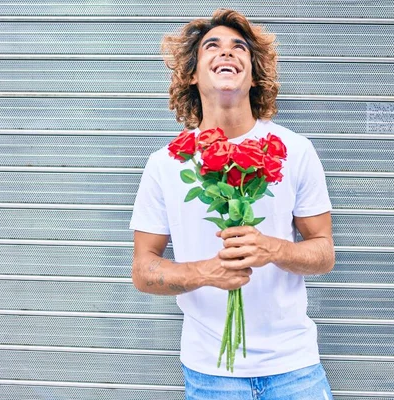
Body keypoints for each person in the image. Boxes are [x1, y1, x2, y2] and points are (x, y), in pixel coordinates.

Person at [130, 8, 335, 400]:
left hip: (294, 368)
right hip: (210, 375)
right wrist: (208, 272)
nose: (227, 53)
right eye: (213, 46)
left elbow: (324, 252)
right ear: (192, 73)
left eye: (238, 47)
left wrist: (272, 248)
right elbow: (143, 269)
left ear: (253, 73)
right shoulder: (165, 164)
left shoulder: (295, 151)